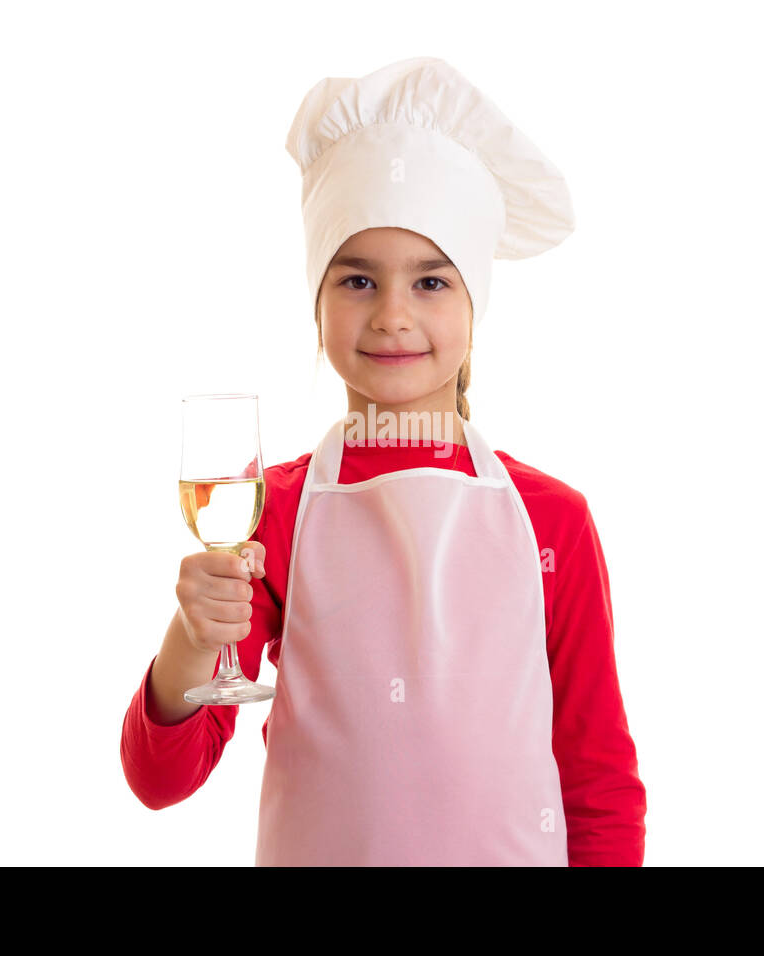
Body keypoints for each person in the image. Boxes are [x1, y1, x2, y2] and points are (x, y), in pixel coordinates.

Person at [120, 56, 646, 866]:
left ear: (476, 308)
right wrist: (193, 638)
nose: (393, 315)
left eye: (431, 282)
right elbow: (162, 779)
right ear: (317, 303)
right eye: (358, 279)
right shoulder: (278, 511)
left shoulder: (553, 522)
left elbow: (598, 781)